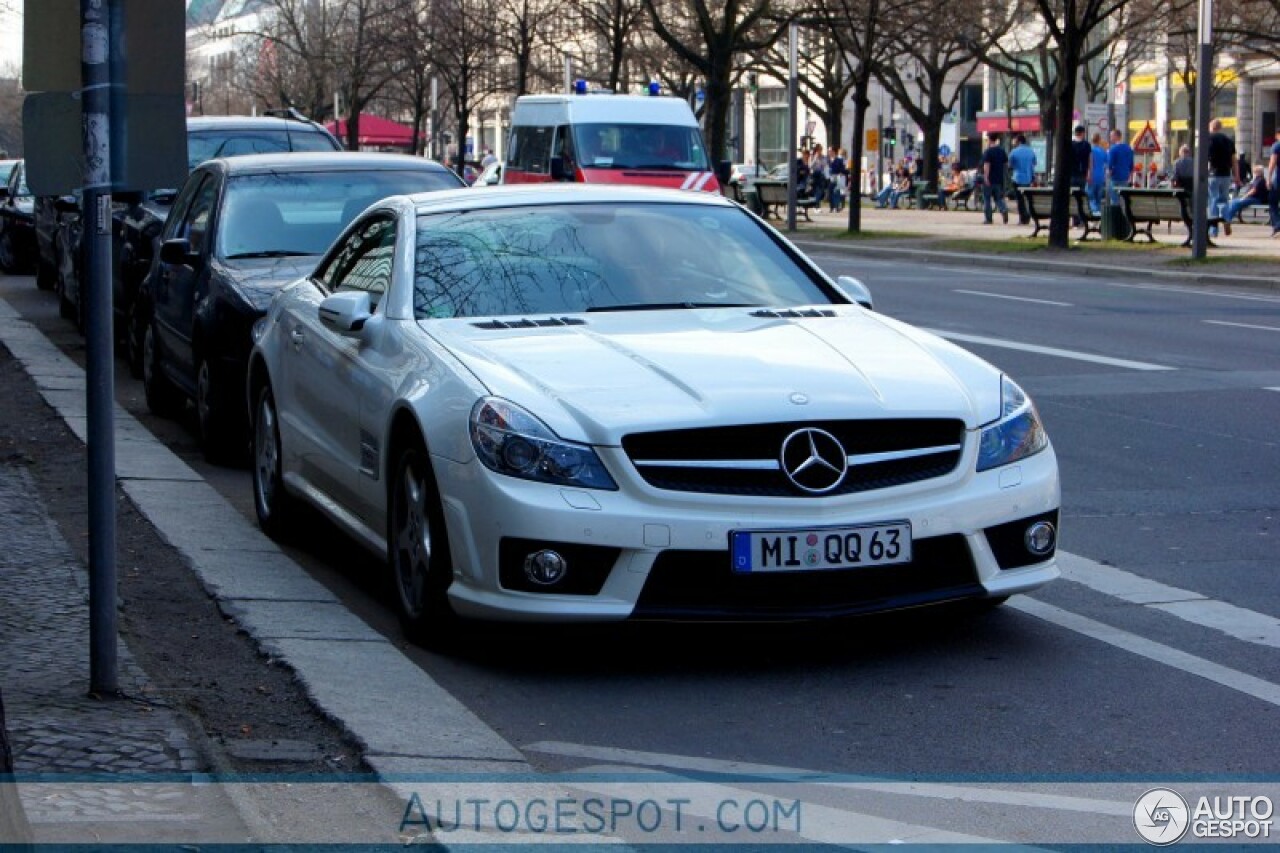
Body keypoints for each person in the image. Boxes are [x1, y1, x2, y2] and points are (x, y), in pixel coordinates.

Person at [1205, 118, 1239, 237]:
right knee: (1224, 200)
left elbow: (1207, 159)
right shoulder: (1229, 141)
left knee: (1213, 200)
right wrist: (1237, 176)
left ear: (1212, 128)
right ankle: (1226, 220)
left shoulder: (1209, 139)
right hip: (1226, 174)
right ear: (1220, 127)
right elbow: (1234, 161)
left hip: (1213, 174)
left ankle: (1213, 230)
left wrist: (1205, 172)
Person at [980, 134, 1009, 224]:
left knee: (987, 199)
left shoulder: (988, 152)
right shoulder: (1002, 151)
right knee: (998, 198)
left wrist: (986, 177)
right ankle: (1003, 209)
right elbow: (1006, 164)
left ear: (989, 140)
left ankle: (988, 219)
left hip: (990, 179)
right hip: (999, 179)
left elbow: (987, 165)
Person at [1008, 134, 1037, 224]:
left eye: (1015, 141)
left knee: (1020, 200)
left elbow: (1010, 165)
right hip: (1028, 178)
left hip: (1017, 178)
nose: (1014, 142)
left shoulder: (1014, 152)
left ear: (1019, 141)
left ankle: (1022, 218)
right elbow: (1034, 163)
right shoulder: (1031, 151)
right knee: (1027, 199)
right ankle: (1027, 215)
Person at [1107, 128, 1134, 202]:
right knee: (1123, 197)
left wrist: (1109, 172)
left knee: (1114, 197)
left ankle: (1116, 211)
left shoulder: (1113, 149)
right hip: (1125, 176)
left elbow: (1110, 163)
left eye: (1111, 136)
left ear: (1116, 136)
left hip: (1115, 177)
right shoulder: (1128, 148)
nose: (1110, 138)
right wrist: (1130, 176)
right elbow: (1131, 164)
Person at [1088, 132, 1108, 214]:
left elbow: (1090, 164)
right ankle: (1099, 212)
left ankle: (1094, 213)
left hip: (1092, 176)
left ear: (1092, 141)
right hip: (1101, 176)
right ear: (1099, 140)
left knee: (1091, 197)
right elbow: (1106, 163)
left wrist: (1089, 175)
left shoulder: (1091, 151)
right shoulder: (1103, 151)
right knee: (1098, 197)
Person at [1267, 136, 1280, 237]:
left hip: (1278, 179)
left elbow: (1273, 162)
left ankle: (1277, 226)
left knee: (1273, 203)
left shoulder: (1277, 146)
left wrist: (1269, 177)